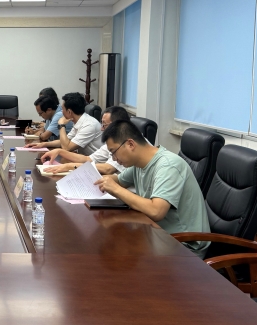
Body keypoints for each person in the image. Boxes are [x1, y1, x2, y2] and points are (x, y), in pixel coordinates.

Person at [96, 120, 210, 258]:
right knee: (113, 242)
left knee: (122, 255)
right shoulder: (139, 163)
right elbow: (118, 181)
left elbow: (156, 211)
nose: (114, 159)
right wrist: (90, 180)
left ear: (130, 144)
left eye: (114, 152)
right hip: (157, 233)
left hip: (183, 244)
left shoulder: (168, 166)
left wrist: (116, 189)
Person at [41, 106, 132, 174]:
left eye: (104, 125)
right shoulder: (112, 142)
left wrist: (70, 166)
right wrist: (59, 151)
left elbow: (107, 169)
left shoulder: (126, 144)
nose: (101, 129)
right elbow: (88, 159)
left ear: (117, 125)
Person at [27, 92, 102, 155]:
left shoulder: (89, 125)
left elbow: (66, 148)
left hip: (96, 165)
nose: (61, 112)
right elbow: (64, 141)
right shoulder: (78, 121)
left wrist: (61, 125)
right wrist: (44, 144)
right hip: (84, 160)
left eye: (62, 109)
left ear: (69, 112)